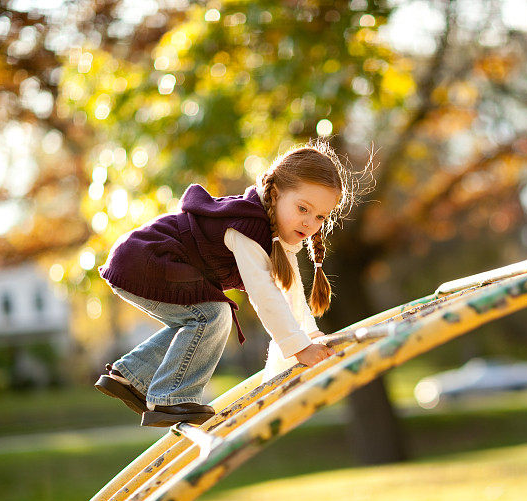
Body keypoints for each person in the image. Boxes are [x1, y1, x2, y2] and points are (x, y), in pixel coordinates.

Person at [95, 140, 361, 427]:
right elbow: (264, 294)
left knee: (194, 319)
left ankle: (131, 377)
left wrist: (310, 336)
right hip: (147, 258)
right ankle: (171, 399)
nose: (311, 223)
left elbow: (290, 292)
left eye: (320, 216)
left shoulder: (274, 236)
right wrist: (299, 347)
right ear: (275, 195)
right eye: (302, 208)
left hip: (141, 260)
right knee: (213, 315)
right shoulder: (248, 225)